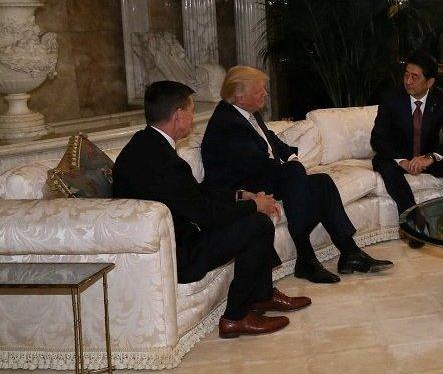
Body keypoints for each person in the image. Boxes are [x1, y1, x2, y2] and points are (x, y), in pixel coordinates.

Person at [113, 81, 310, 339]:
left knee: (249, 215)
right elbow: (205, 215)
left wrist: (240, 195)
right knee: (258, 224)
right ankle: (235, 317)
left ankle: (261, 296)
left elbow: (193, 193)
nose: (193, 119)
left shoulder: (145, 145)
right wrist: (254, 205)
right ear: (177, 115)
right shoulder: (161, 161)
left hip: (176, 237)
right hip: (179, 253)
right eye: (192, 111)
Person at [201, 66, 392, 283]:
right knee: (294, 176)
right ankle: (305, 256)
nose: (265, 94)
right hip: (241, 188)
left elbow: (270, 138)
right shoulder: (227, 123)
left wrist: (292, 158)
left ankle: (349, 252)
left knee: (322, 182)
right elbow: (256, 165)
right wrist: (294, 170)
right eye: (259, 90)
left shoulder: (246, 112)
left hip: (259, 174)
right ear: (239, 95)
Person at [371, 52, 443, 248]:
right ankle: (413, 221)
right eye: (406, 74)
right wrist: (402, 161)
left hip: (425, 156)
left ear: (429, 82)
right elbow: (377, 139)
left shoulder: (442, 98)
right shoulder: (391, 98)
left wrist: (430, 157)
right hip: (397, 157)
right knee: (385, 166)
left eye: (415, 77)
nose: (408, 81)